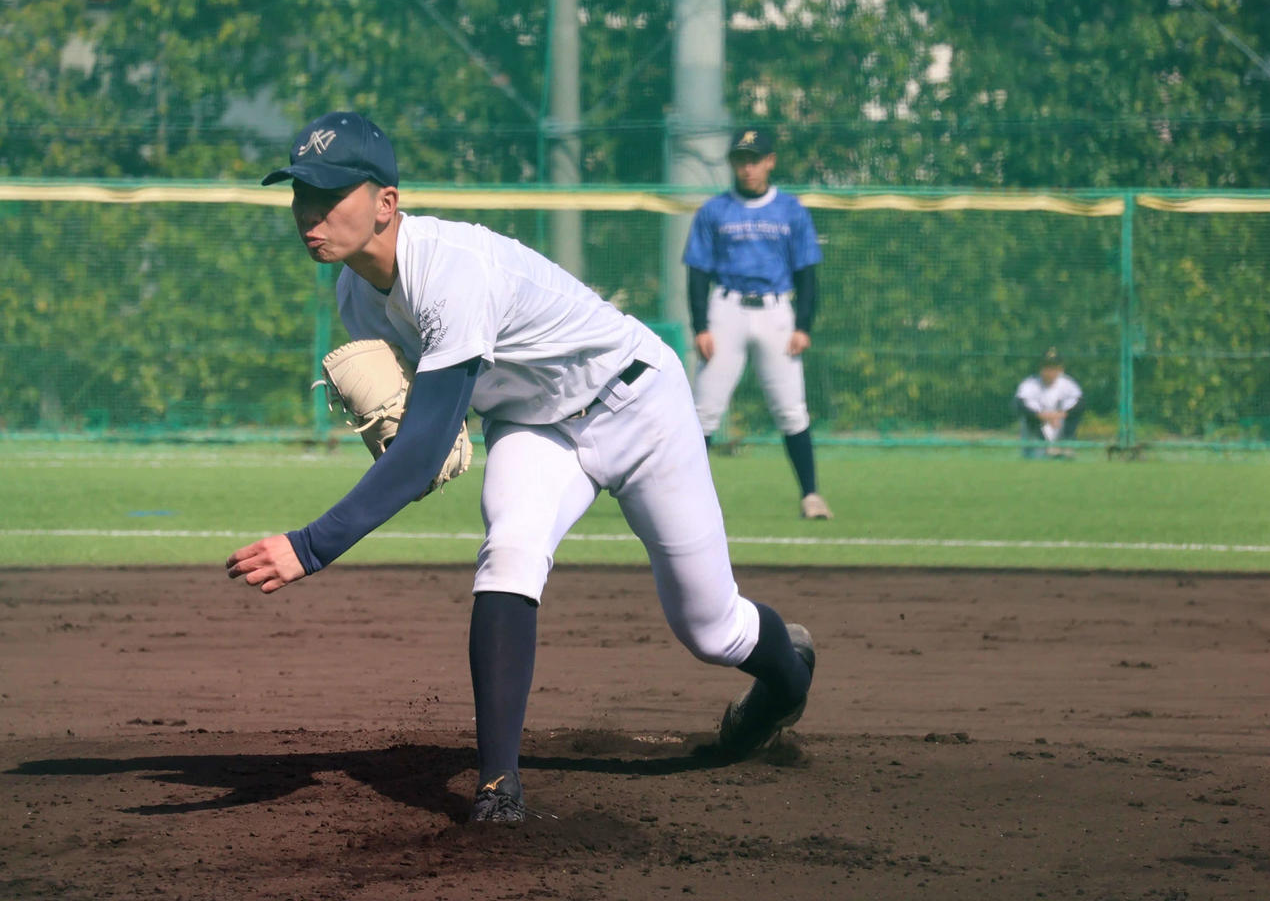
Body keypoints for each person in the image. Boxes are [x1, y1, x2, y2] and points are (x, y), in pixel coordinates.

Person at [225, 111, 816, 823]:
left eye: (328, 193)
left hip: (637, 403)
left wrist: (311, 546)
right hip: (537, 427)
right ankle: (498, 785)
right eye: (299, 194)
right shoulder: (356, 297)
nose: (308, 211)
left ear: (387, 203)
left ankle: (786, 684)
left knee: (711, 628)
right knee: (508, 553)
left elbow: (416, 461)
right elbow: (430, 426)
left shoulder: (450, 270)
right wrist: (426, 433)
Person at [682, 127, 832, 520]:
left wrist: (804, 325)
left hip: (776, 312)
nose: (747, 167)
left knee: (791, 410)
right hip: (726, 308)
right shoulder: (715, 210)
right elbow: (697, 272)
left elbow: (807, 272)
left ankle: (811, 495)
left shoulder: (791, 210)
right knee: (704, 411)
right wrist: (700, 325)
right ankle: (680, 498)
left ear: (770, 161)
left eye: (754, 159)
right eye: (741, 159)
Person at [1014, 348, 1085, 458]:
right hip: (1037, 428)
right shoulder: (1030, 384)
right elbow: (1020, 405)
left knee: (1072, 417)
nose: (1050, 371)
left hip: (1060, 424)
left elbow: (1079, 404)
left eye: (1054, 367)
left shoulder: (1068, 384)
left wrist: (1058, 415)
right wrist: (1045, 417)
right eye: (1046, 367)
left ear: (1060, 368)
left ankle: (1066, 447)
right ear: (1040, 368)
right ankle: (1042, 449)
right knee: (1029, 420)